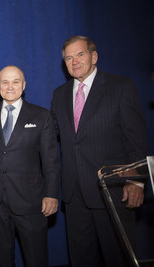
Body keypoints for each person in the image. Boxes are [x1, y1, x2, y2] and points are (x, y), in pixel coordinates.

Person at [50, 36, 148, 267]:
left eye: (80, 55)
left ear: (94, 56)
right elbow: (51, 134)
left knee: (119, 258)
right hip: (74, 195)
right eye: (68, 58)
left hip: (113, 192)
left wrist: (136, 181)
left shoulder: (121, 86)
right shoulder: (59, 94)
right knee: (81, 259)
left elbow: (135, 138)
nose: (74, 62)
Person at [0, 65, 60, 267]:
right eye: (5, 82)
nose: (10, 86)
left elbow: (51, 159)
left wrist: (51, 194)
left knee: (36, 258)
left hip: (30, 201)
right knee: (1, 259)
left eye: (15, 81)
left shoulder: (41, 116)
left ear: (24, 85)